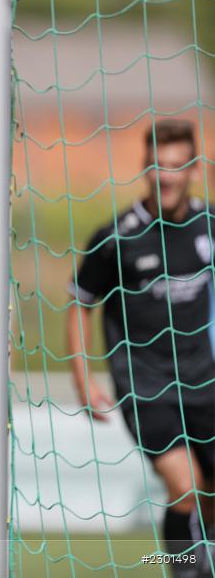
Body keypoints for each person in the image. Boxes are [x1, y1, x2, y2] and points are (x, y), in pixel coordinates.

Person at [67, 119, 214, 577]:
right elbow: (79, 303)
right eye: (157, 166)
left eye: (176, 166)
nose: (165, 176)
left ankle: (195, 562)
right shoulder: (118, 236)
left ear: (194, 169)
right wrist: (83, 379)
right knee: (185, 486)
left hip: (206, 382)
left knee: (208, 494)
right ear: (145, 168)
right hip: (146, 386)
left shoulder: (209, 225)